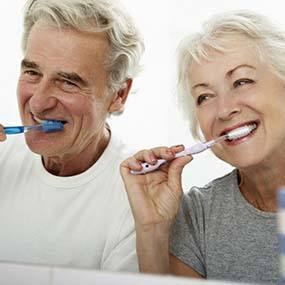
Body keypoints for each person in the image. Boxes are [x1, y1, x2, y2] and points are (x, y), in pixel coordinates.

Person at [120, 10, 283, 283]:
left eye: (241, 81)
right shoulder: (198, 215)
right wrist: (153, 230)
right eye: (204, 96)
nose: (224, 110)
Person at [0, 0, 143, 272]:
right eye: (32, 72)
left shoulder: (137, 199)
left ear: (118, 95)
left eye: (68, 82)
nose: (38, 103)